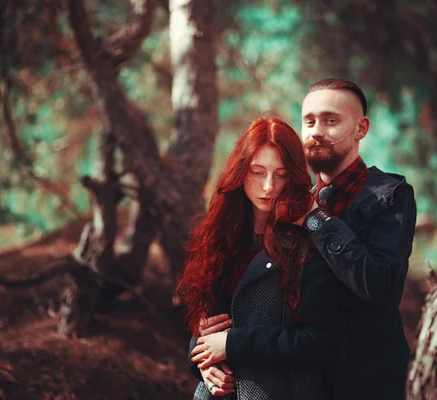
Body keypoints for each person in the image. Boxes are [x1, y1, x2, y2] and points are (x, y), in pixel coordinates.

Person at [176, 117, 346, 400]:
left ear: (293, 177)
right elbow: (205, 326)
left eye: (280, 175)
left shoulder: (308, 244)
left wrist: (232, 344)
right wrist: (204, 364)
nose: (269, 186)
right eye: (257, 172)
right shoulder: (218, 238)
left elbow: (320, 342)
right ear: (240, 171)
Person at [295, 78, 417, 400]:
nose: (316, 131)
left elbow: (379, 285)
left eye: (330, 120)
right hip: (307, 379)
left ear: (361, 128)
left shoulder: (390, 195)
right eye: (309, 121)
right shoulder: (295, 203)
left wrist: (316, 220)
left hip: (371, 381)